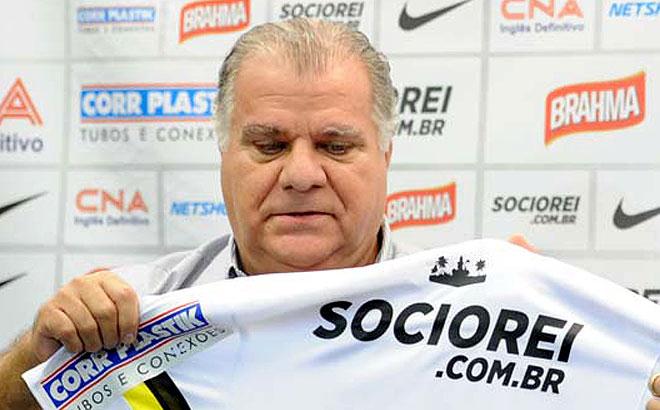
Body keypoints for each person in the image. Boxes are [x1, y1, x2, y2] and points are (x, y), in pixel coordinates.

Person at [0, 18, 658, 409]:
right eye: (269, 144)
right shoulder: (129, 315)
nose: (301, 174)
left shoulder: (489, 322)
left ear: (386, 155)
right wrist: (40, 357)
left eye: (336, 145)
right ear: (223, 153)